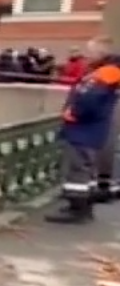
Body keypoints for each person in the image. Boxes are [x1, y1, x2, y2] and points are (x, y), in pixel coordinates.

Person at [48, 36, 120, 224]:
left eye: (90, 52)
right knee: (85, 169)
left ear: (100, 53)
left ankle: (77, 209)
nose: (86, 56)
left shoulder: (105, 73)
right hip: (89, 129)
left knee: (79, 168)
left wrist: (74, 112)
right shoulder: (104, 71)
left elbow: (90, 98)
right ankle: (82, 205)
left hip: (85, 129)